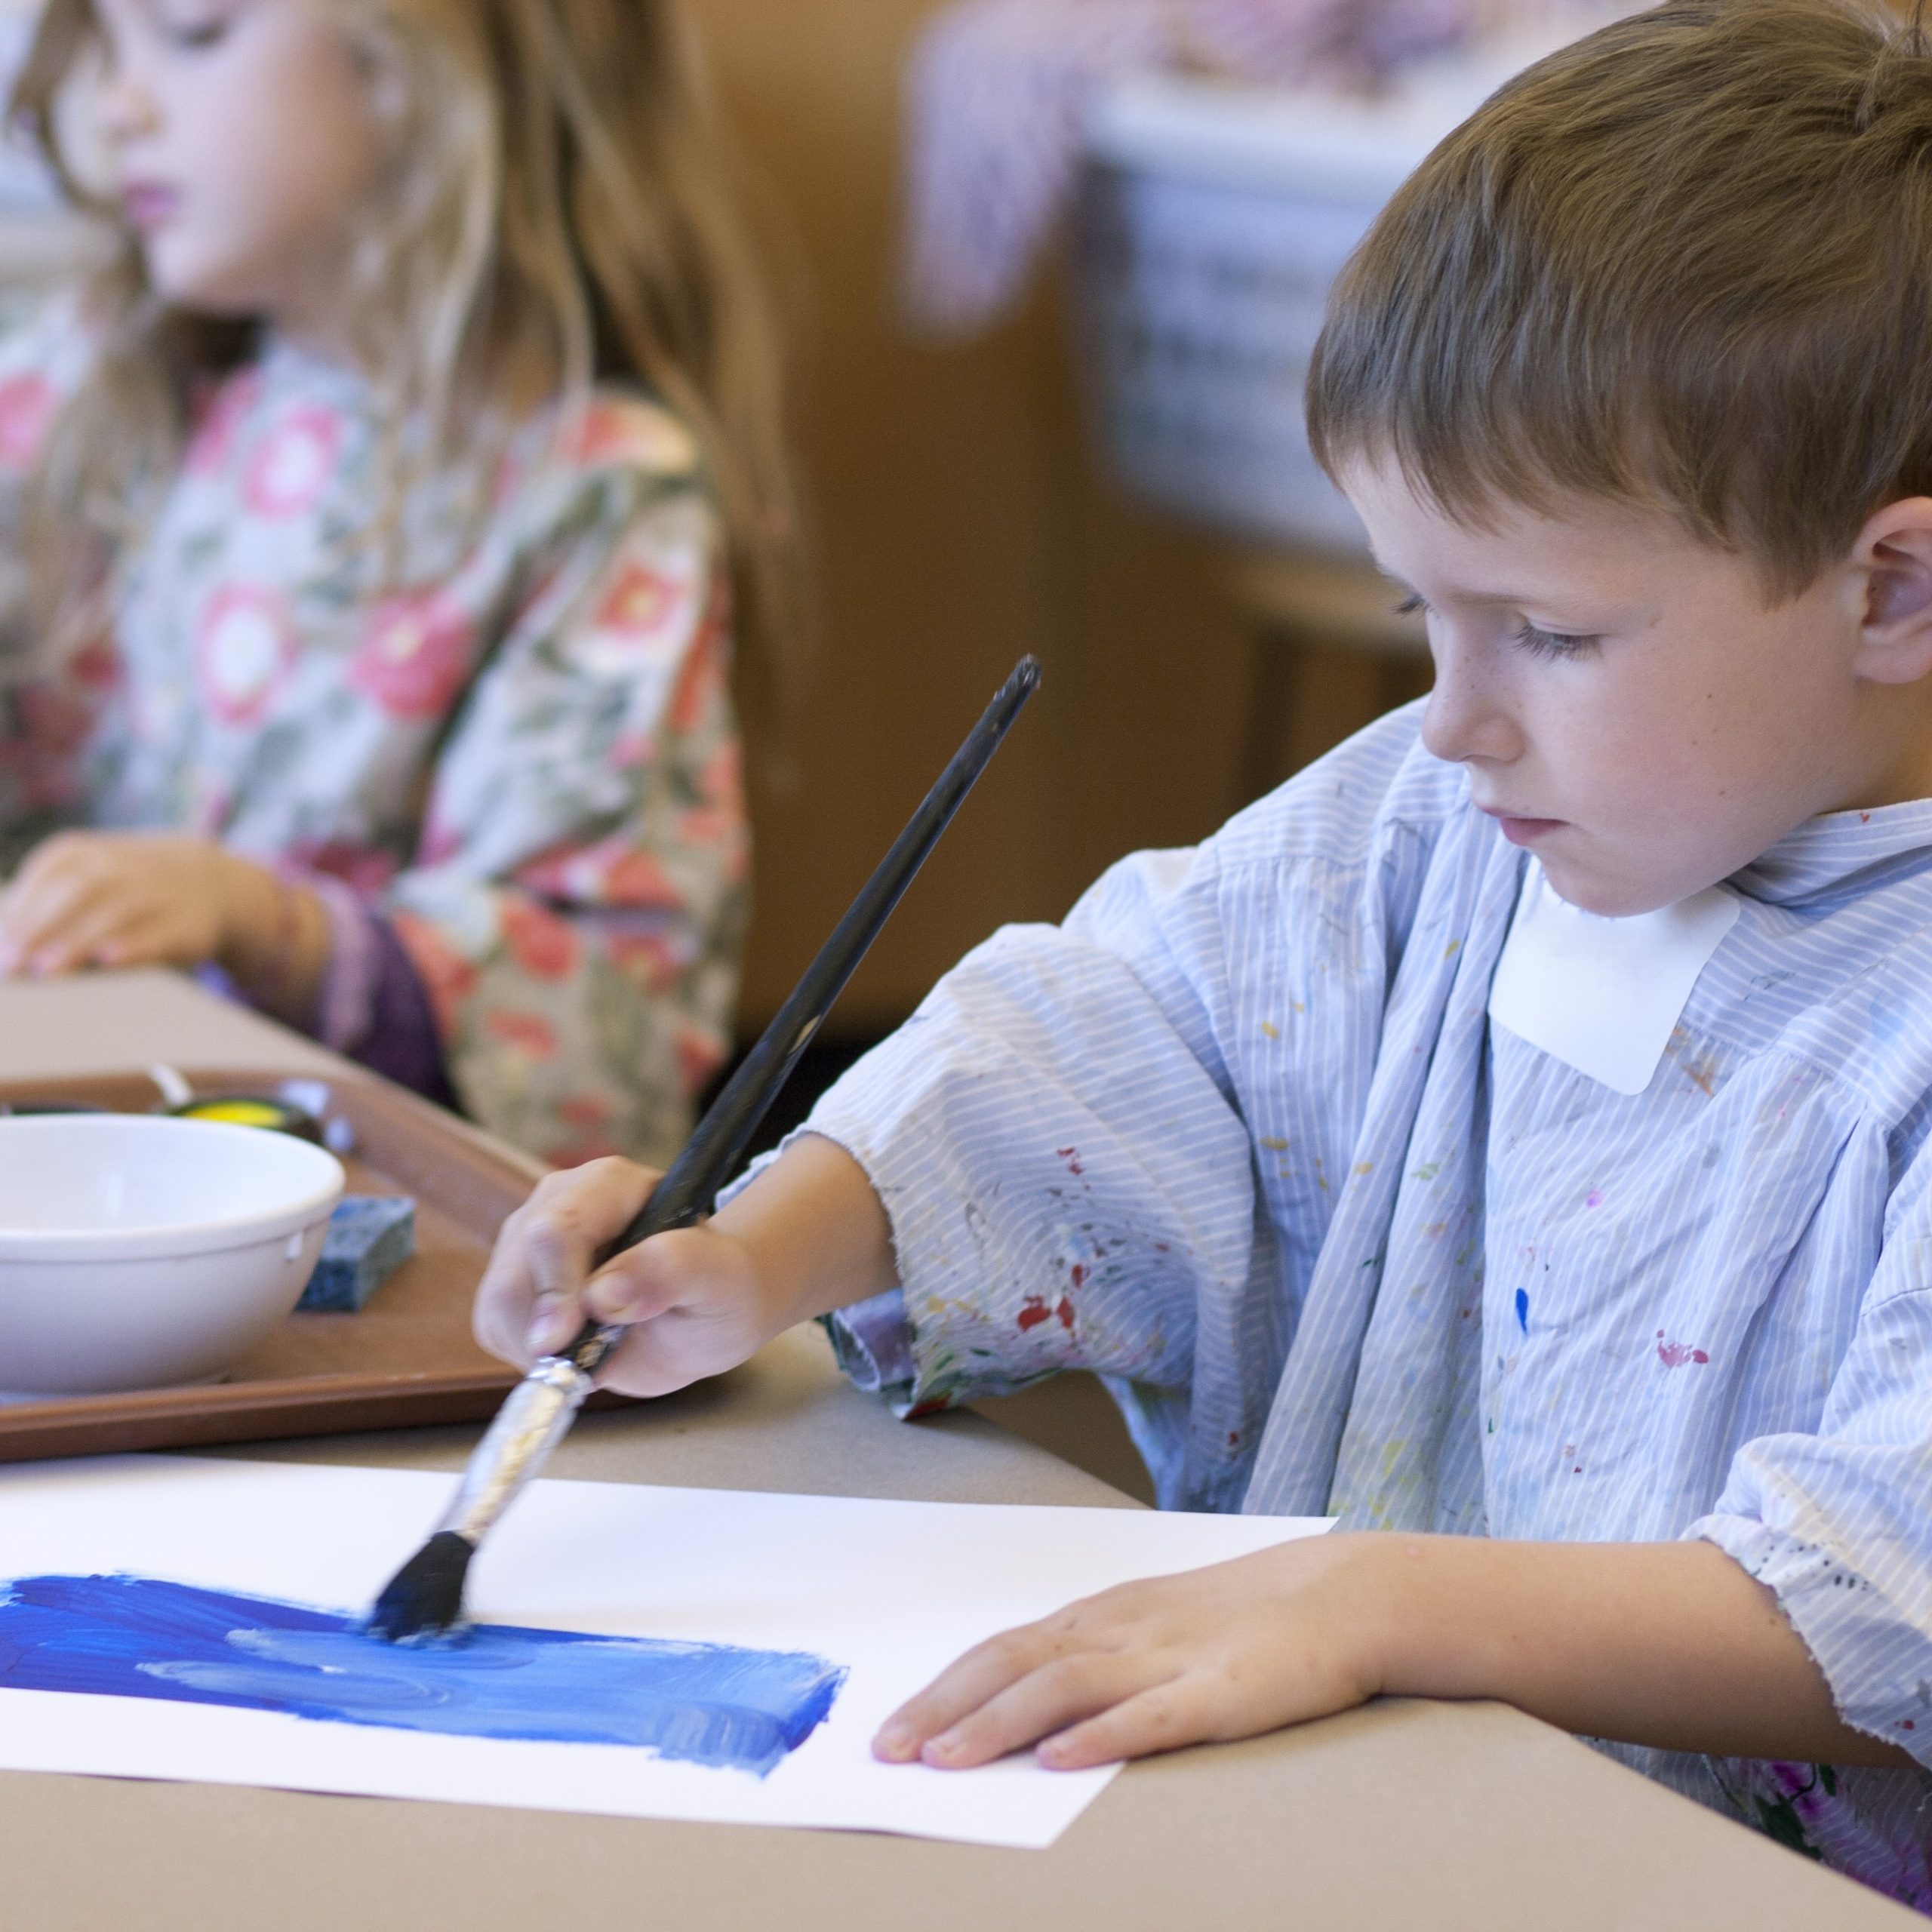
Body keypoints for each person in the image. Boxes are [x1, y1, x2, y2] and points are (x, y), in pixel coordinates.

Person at [472, 0, 1932, 1907]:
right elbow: (1110, 1033)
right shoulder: (1430, 826)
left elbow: (1885, 1592)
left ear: (1887, 588)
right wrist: (751, 1244)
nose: (1449, 716)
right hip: (1335, 1840)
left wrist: (1367, 1595)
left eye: (1548, 633)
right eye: (1419, 609)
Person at [0, 0, 796, 1167]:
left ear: (424, 69)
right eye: (108, 48)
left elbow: (603, 1023)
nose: (119, 103)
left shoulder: (594, 492)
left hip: (378, 1241)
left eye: (190, 33)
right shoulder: (98, 395)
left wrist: (266, 924)